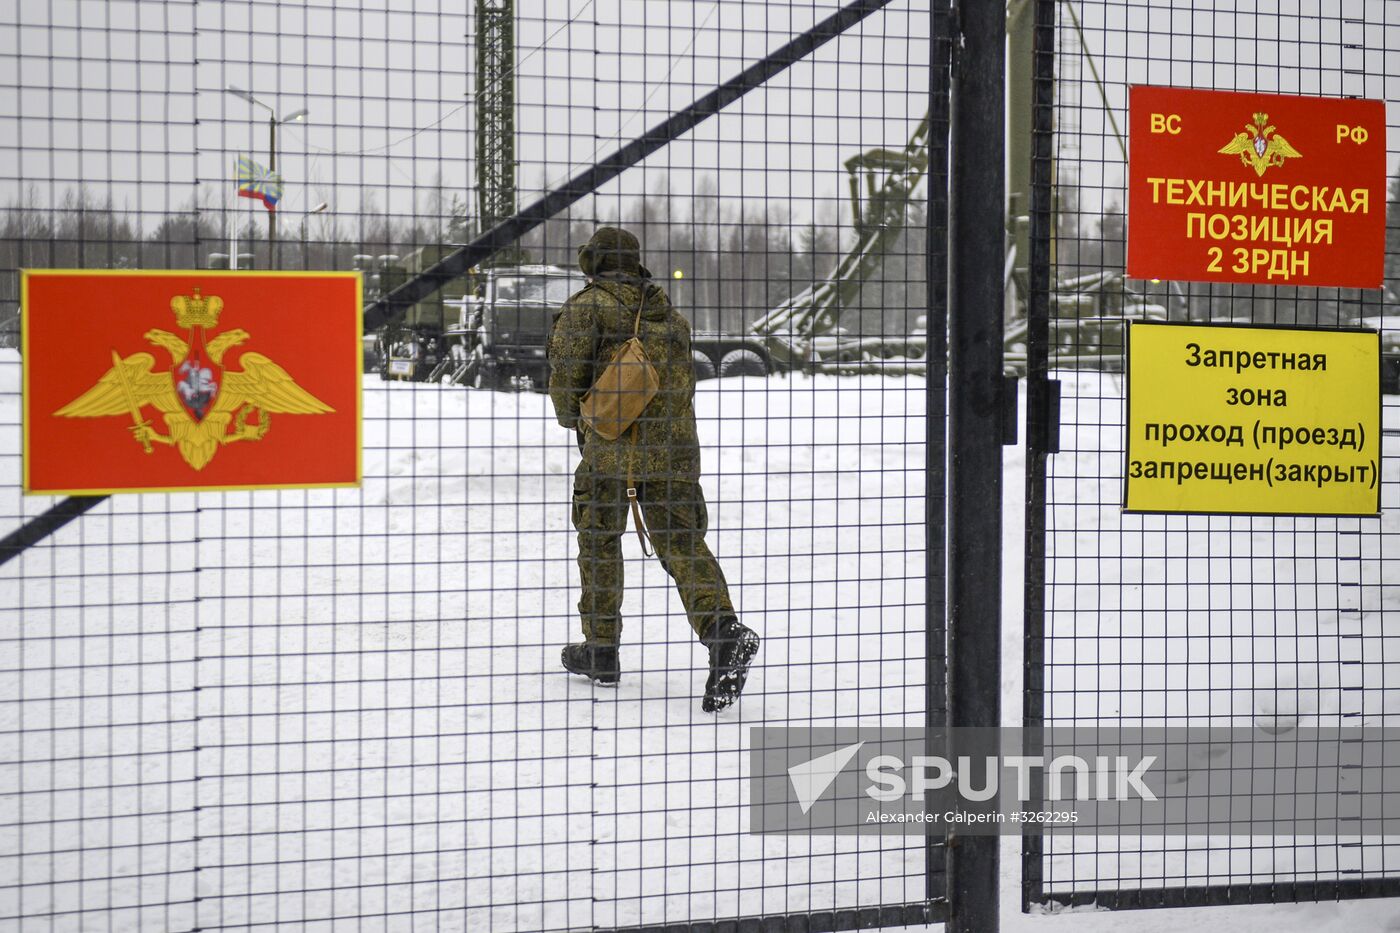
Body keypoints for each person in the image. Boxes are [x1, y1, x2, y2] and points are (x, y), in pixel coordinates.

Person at [547, 226, 759, 713]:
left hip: (609, 454)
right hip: (676, 456)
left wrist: (581, 422)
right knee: (683, 545)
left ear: (593, 261)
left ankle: (601, 649)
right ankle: (724, 632)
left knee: (598, 540)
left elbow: (565, 387)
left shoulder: (586, 308)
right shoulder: (671, 315)